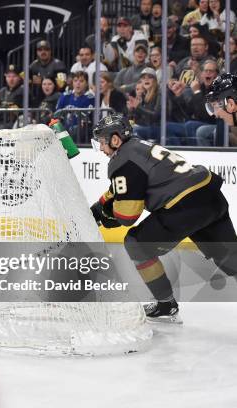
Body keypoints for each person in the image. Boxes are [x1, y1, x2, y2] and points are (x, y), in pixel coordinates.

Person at [90, 113, 237, 323]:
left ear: (115, 140)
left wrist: (105, 216)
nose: (102, 149)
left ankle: (165, 304)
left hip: (186, 207)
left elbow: (127, 216)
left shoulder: (121, 160)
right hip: (209, 195)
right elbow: (119, 189)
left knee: (136, 243)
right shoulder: (139, 146)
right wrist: (99, 206)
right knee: (231, 259)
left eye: (102, 143)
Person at [128, 68, 161, 142]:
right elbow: (138, 120)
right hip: (148, 127)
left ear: (155, 80)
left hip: (159, 128)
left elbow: (156, 116)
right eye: (143, 78)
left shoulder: (159, 94)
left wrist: (138, 107)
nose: (146, 80)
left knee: (135, 131)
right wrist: (132, 109)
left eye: (150, 77)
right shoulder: (144, 96)